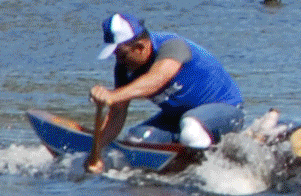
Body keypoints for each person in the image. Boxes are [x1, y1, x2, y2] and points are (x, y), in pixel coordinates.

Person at [84, 13, 245, 173]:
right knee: (136, 141)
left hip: (227, 110)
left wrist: (112, 95)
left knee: (191, 130)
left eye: (121, 54)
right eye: (115, 55)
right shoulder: (123, 69)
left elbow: (156, 80)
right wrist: (95, 153)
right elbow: (117, 114)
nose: (118, 61)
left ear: (140, 47)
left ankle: (208, 175)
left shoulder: (172, 46)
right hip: (178, 118)